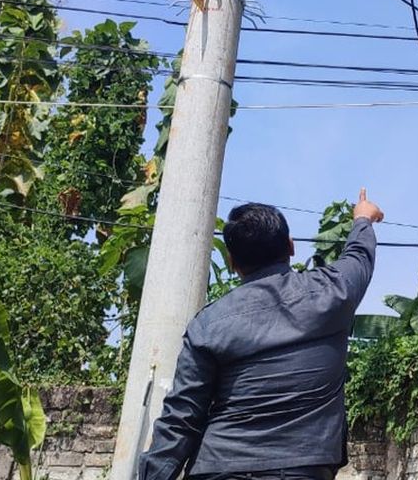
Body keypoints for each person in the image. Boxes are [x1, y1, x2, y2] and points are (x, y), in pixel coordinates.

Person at [137, 189, 384, 480]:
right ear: (290, 247)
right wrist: (363, 218)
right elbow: (358, 255)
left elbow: (181, 418)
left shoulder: (208, 324)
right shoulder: (333, 292)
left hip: (218, 467)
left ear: (232, 262)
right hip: (302, 469)